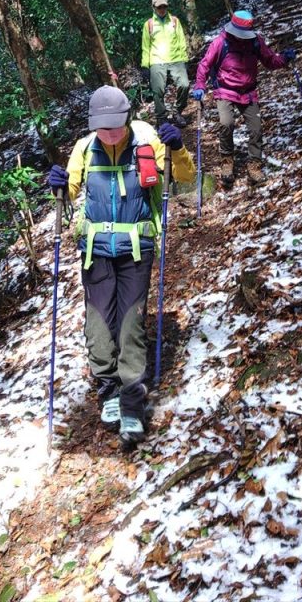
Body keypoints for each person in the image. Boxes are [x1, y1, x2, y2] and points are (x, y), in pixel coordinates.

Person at [47, 86, 195, 445]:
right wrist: (58, 186)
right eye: (103, 127)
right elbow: (68, 191)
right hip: (95, 250)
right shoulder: (85, 148)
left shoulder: (146, 142)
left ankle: (131, 402)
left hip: (136, 249)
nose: (110, 133)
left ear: (127, 119)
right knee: (99, 326)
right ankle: (108, 388)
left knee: (130, 324)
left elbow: (185, 178)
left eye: (115, 126)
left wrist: (177, 148)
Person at [190, 10, 296, 187]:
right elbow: (204, 65)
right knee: (226, 123)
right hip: (225, 90)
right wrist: (200, 85)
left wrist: (284, 58)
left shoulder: (256, 42)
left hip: (248, 92)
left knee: (256, 128)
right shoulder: (220, 42)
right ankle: (227, 162)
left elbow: (270, 61)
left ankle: (254, 166)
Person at [141, 0, 190, 128]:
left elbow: (181, 41)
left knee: (184, 85)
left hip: (176, 58)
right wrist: (145, 65)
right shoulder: (149, 24)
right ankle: (161, 118)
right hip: (156, 60)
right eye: (159, 7)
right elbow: (145, 46)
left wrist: (185, 59)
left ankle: (177, 112)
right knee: (157, 90)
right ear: (154, 8)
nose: (162, 9)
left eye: (164, 6)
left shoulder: (174, 21)